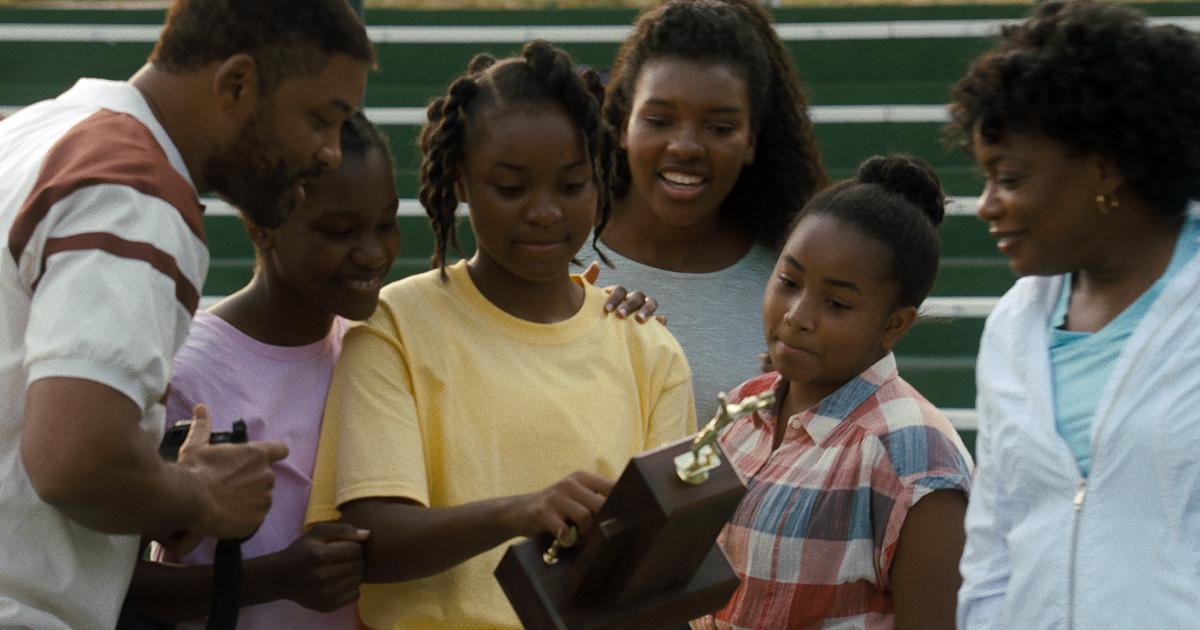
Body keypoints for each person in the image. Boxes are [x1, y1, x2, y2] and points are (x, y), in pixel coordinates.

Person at [0, 1, 374, 628]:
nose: (332, 152)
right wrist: (202, 497)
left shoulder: (37, 133)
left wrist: (155, 491)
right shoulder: (134, 190)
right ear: (236, 84)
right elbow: (75, 459)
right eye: (321, 119)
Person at [304, 40, 694, 630]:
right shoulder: (395, 327)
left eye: (571, 186)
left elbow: (664, 571)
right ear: (460, 182)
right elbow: (369, 543)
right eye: (510, 189)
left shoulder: (648, 347)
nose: (543, 211)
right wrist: (519, 512)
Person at [947, 2, 1200, 628]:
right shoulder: (1012, 328)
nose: (987, 206)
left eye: (1008, 178)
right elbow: (993, 544)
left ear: (1104, 169)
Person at [693, 155, 973, 630]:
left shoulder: (915, 457)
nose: (797, 314)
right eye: (788, 281)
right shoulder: (743, 411)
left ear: (894, 324)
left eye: (837, 303)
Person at [590, 0, 829, 422]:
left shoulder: (791, 288)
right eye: (659, 120)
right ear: (624, 124)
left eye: (720, 128)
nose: (685, 146)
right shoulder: (556, 259)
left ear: (751, 141)